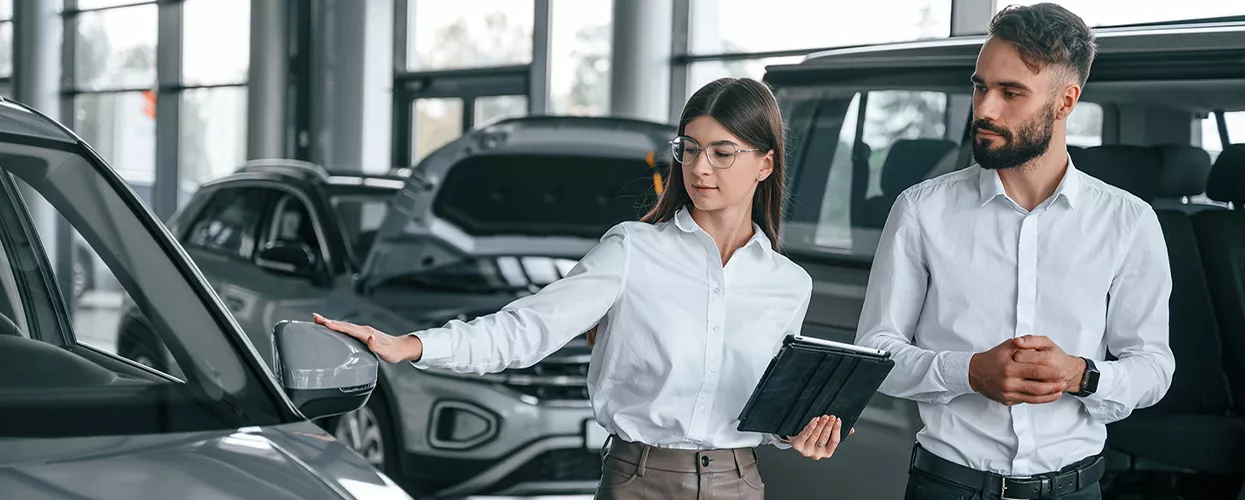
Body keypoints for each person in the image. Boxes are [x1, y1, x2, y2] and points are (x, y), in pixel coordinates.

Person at [315, 77, 852, 500]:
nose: (699, 167)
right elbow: (526, 329)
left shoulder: (788, 284)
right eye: (689, 149)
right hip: (639, 481)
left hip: (740, 483)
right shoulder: (632, 249)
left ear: (765, 163)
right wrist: (413, 345)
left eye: (722, 152)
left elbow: (765, 405)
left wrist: (800, 431)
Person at [854, 4, 1175, 500]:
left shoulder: (1129, 222)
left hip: (1074, 489)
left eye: (1010, 92)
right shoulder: (921, 210)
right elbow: (877, 353)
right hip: (948, 487)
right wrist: (969, 372)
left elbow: (1153, 366)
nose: (984, 109)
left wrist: (1081, 375)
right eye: (980, 86)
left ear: (1066, 101)